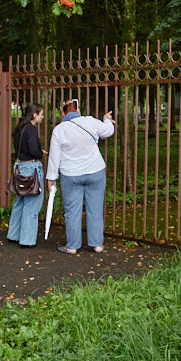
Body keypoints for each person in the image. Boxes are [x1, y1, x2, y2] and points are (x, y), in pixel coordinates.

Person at [46, 98, 116, 254]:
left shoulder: (59, 130)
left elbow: (54, 157)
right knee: (95, 209)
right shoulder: (90, 122)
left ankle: (72, 246)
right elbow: (108, 131)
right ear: (78, 111)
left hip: (71, 175)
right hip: (95, 171)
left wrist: (51, 178)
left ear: (63, 113)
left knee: (72, 211)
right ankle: (97, 244)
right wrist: (106, 119)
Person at [6, 102, 46, 248]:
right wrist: (40, 153)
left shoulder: (19, 128)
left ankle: (13, 234)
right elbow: (33, 150)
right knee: (32, 203)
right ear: (34, 115)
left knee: (20, 201)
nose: (42, 117)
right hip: (31, 167)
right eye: (41, 114)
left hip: (20, 166)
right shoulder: (32, 129)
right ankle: (27, 240)